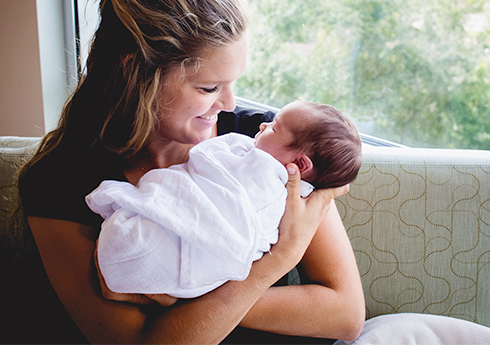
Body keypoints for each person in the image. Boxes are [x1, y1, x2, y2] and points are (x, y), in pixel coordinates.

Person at [18, 0, 365, 343]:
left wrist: (176, 298)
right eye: (208, 88)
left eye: (234, 82)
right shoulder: (59, 181)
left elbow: (344, 313)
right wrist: (274, 264)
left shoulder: (270, 145)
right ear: (136, 72)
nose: (230, 104)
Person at [86, 100, 362, 300]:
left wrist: (284, 255)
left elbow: (345, 316)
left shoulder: (294, 189)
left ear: (300, 164)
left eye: (274, 128)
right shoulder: (70, 169)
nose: (264, 125)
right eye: (209, 87)